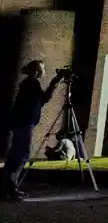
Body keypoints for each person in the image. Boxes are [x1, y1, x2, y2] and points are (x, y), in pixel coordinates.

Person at [4, 60, 65, 200]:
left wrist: (55, 82)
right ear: (37, 71)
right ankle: (10, 189)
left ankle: (8, 187)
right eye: (43, 69)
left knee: (16, 154)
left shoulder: (29, 84)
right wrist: (56, 81)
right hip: (24, 123)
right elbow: (44, 98)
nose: (44, 71)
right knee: (21, 155)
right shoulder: (32, 84)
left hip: (22, 123)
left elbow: (42, 100)